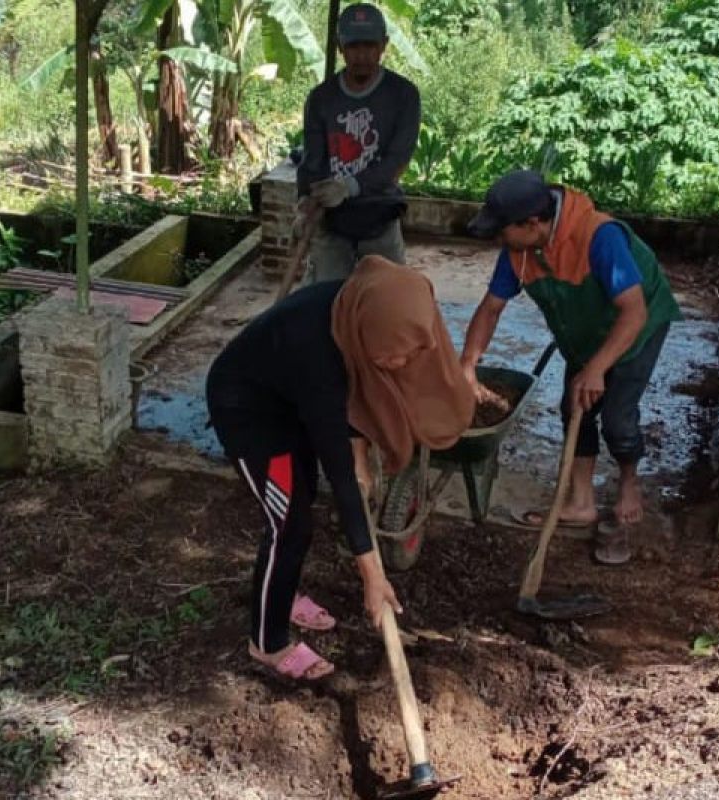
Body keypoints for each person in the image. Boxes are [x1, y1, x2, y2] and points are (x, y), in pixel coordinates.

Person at [206, 256, 474, 681]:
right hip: (250, 413)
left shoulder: (359, 309)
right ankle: (267, 642)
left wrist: (360, 457)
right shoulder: (316, 352)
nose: (401, 365)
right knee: (288, 524)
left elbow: (356, 398)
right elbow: (340, 470)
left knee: (302, 497)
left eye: (408, 356)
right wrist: (372, 576)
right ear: (370, 333)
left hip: (290, 401)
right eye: (393, 356)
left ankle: (284, 592)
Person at [460, 170, 682, 542]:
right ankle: (582, 502)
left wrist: (596, 369)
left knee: (617, 419)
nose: (498, 239)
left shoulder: (599, 237)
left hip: (636, 326)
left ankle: (628, 482)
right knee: (573, 407)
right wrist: (467, 365)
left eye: (502, 230)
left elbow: (634, 312)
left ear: (533, 223)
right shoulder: (519, 251)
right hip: (582, 330)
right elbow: (490, 309)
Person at [295, 3, 421, 282]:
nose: (361, 56)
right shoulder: (321, 98)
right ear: (340, 47)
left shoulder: (403, 95)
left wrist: (350, 186)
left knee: (386, 302)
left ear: (384, 45)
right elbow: (313, 161)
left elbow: (397, 161)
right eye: (353, 47)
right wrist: (304, 202)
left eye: (369, 46)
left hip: (379, 216)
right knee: (323, 302)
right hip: (332, 220)